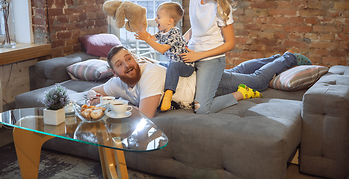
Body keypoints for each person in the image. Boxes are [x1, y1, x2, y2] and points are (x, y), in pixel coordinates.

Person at [87, 45, 311, 118]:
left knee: (258, 81)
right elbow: (94, 91)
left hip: (205, 83)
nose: (127, 64)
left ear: (134, 59)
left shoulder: (150, 74)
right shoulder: (117, 83)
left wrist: (108, 106)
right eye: (120, 64)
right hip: (201, 78)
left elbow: (145, 115)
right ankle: (274, 58)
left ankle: (288, 58)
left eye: (129, 58)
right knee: (238, 70)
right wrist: (94, 97)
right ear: (114, 72)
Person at [180, 0, 238, 114]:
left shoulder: (221, 6)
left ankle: (240, 94)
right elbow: (197, 28)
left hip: (211, 59)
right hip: (191, 54)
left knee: (202, 109)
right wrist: (180, 42)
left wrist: (198, 56)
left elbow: (230, 43)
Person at [134, 2, 195, 112]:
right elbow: (152, 38)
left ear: (170, 21)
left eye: (159, 17)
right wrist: (143, 32)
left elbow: (162, 49)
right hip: (174, 63)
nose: (156, 19)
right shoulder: (162, 32)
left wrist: (147, 39)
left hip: (186, 66)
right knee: (159, 66)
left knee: (173, 67)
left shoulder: (174, 32)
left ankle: (168, 94)